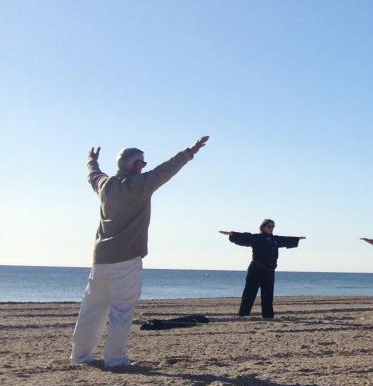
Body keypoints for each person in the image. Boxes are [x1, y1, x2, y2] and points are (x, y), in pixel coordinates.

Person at [71, 137, 209, 368]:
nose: (144, 166)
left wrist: (91, 161)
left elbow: (92, 174)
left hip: (101, 258)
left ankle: (79, 356)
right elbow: (167, 169)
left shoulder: (105, 185)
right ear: (135, 165)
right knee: (121, 310)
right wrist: (190, 151)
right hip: (126, 257)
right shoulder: (139, 184)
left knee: (92, 308)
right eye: (142, 163)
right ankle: (116, 360)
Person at [221, 220, 306, 318]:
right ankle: (243, 314)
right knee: (249, 293)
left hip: (269, 271)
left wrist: (297, 239)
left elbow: (285, 239)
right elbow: (246, 237)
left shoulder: (275, 239)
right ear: (263, 227)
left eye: (272, 226)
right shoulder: (257, 238)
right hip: (256, 269)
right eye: (269, 226)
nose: (271, 228)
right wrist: (233, 234)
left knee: (268, 294)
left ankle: (268, 316)